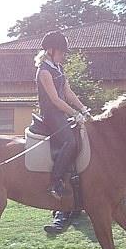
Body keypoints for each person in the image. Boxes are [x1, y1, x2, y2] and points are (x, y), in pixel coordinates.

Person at [35, 31, 91, 199]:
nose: (63, 55)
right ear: (50, 51)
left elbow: (68, 92)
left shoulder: (58, 68)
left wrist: (83, 109)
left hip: (61, 113)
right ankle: (55, 182)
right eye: (61, 52)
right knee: (70, 141)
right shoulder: (44, 71)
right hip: (51, 114)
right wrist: (74, 113)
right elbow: (55, 100)